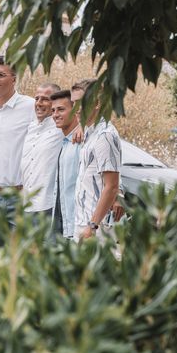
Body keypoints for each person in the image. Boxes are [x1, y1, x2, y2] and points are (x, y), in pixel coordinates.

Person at [0, 55, 35, 243]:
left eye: (0, 75)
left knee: (20, 252)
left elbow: (57, 127)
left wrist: (78, 128)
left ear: (14, 78)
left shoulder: (30, 107)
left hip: (19, 195)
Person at [71, 79, 122, 241]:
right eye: (73, 104)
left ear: (97, 103)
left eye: (79, 103)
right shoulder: (90, 132)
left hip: (96, 228)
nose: (75, 109)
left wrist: (92, 226)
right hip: (82, 221)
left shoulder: (104, 135)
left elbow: (112, 186)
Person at [20, 83, 63, 225]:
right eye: (36, 98)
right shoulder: (30, 127)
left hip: (48, 207)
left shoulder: (63, 129)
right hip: (26, 204)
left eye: (45, 99)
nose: (38, 103)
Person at [51, 90, 81, 239]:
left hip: (78, 225)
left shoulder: (82, 140)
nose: (55, 114)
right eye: (53, 110)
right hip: (60, 222)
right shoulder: (64, 142)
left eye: (61, 109)